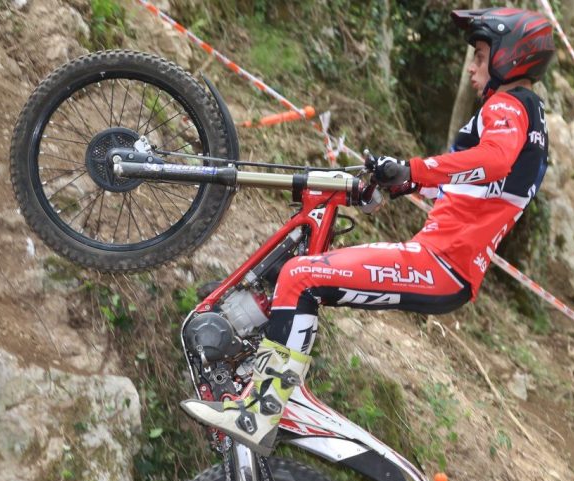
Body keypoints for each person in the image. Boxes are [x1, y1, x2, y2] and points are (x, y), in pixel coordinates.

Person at [182, 7, 554, 455]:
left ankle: (261, 410)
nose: (473, 67)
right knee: (299, 273)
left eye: (479, 55)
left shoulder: (508, 106)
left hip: (438, 264)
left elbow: (492, 160)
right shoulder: (530, 121)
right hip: (441, 262)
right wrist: (397, 182)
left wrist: (413, 170)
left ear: (510, 56)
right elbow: (474, 184)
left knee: (301, 277)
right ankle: (250, 352)